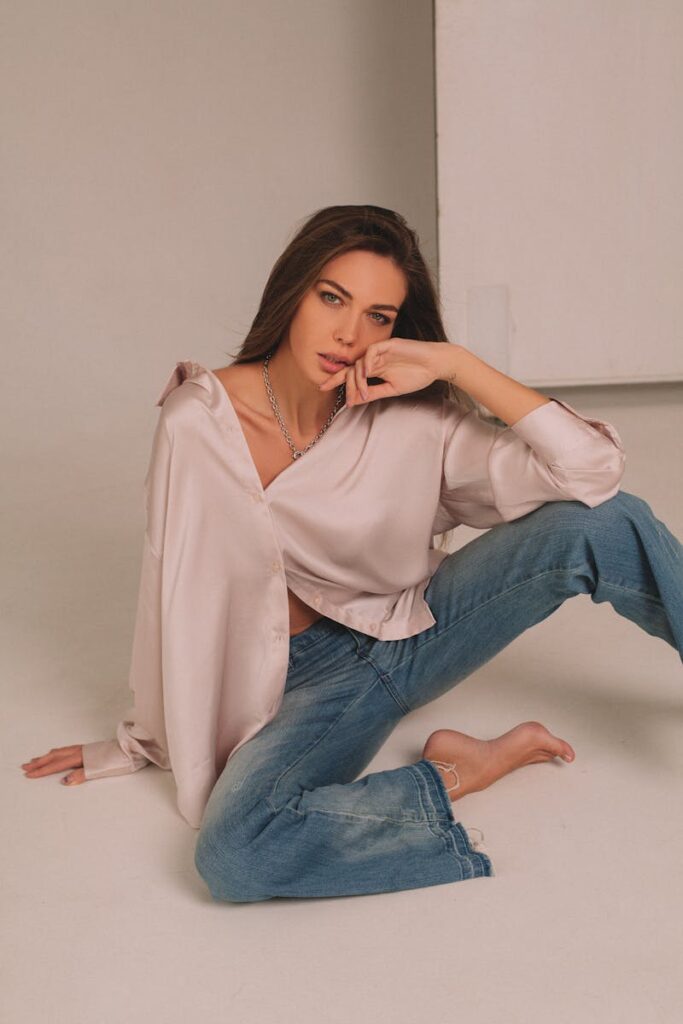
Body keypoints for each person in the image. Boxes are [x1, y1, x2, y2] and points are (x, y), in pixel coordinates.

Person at [21, 205, 683, 902]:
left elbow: (590, 474)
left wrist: (457, 363)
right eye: (332, 298)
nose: (348, 333)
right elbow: (173, 589)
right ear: (293, 292)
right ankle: (459, 772)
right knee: (235, 853)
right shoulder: (198, 422)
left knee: (608, 521)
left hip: (416, 631)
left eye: (380, 316)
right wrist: (145, 739)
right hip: (301, 690)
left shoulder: (414, 417)